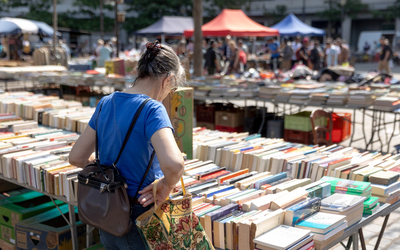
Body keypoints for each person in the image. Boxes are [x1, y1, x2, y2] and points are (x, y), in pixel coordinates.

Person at [69, 41, 185, 250]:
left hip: (107, 214)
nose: (169, 92)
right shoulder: (152, 109)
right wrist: (166, 186)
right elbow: (175, 165)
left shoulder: (106, 102)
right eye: (173, 88)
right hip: (138, 216)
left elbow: (76, 157)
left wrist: (105, 164)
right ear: (168, 79)